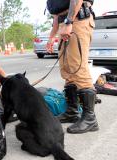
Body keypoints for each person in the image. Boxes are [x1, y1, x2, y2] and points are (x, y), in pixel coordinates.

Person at [46, 0, 98, 134]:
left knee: (78, 68)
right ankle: (72, 111)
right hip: (65, 22)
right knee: (68, 70)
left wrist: (69, 22)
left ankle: (90, 118)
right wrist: (52, 35)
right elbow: (57, 14)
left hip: (77, 19)